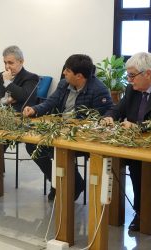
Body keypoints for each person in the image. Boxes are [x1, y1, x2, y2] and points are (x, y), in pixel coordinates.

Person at [102, 52, 151, 231]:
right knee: (109, 155)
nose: (129, 80)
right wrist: (109, 117)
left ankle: (141, 212)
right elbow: (117, 109)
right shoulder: (132, 90)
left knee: (137, 162)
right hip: (135, 145)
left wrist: (136, 127)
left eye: (132, 75)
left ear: (148, 74)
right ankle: (111, 211)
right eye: (128, 75)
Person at [22, 54, 113, 201]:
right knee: (32, 146)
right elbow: (50, 102)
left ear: (79, 76)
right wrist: (35, 109)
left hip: (81, 136)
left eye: (67, 71)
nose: (64, 73)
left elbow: (106, 115)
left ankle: (68, 184)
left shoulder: (99, 90)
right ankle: (62, 181)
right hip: (60, 130)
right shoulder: (64, 84)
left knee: (56, 148)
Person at [0, 45, 39, 112]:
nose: (7, 67)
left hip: (17, 117)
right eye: (5, 63)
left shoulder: (31, 78)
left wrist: (7, 82)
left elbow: (23, 97)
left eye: (10, 63)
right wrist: (4, 101)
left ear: (21, 62)